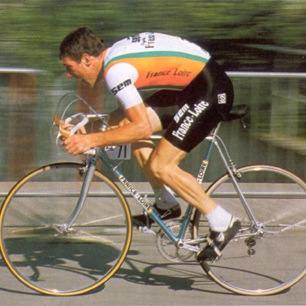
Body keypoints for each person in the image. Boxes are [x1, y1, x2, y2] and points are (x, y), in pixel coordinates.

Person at [59, 26, 240, 262]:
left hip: (210, 90)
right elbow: (123, 122)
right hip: (193, 89)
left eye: (69, 68)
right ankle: (166, 205)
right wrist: (81, 133)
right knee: (127, 128)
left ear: (85, 59)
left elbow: (141, 127)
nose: (68, 75)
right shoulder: (113, 58)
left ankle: (222, 220)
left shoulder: (115, 71)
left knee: (161, 165)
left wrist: (90, 139)